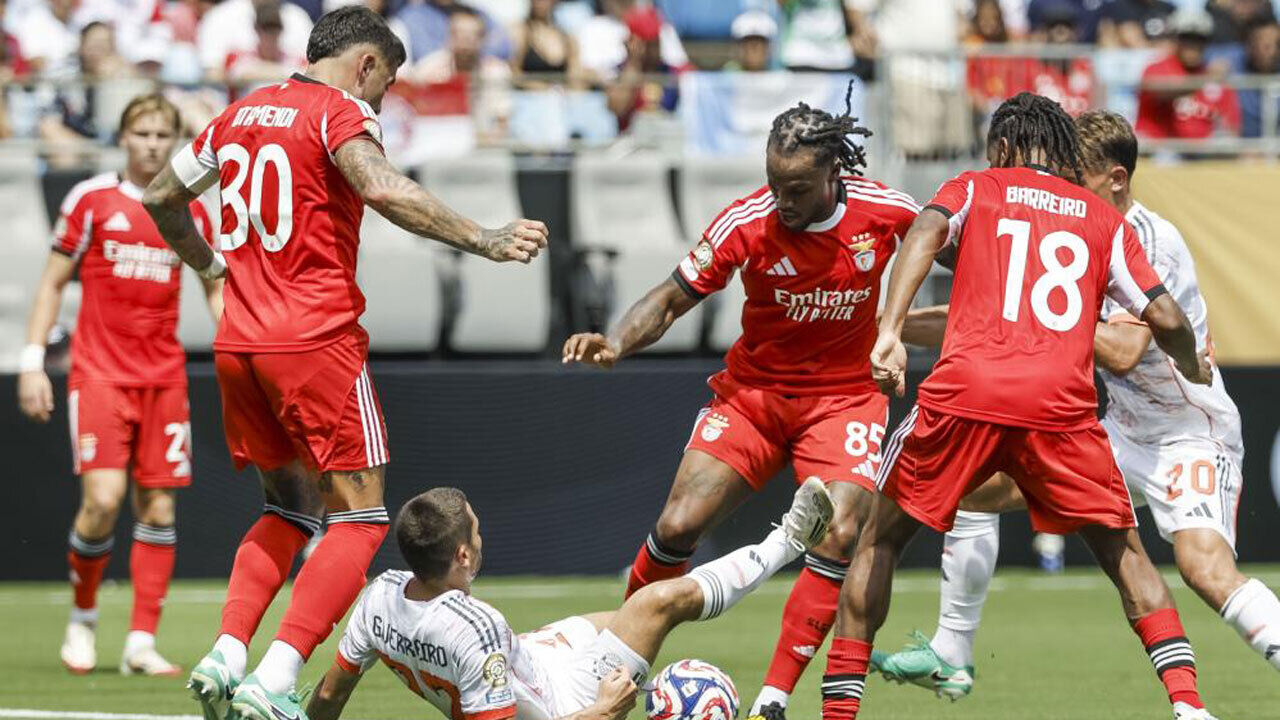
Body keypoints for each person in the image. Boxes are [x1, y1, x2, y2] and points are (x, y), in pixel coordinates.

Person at [141, 7, 549, 720]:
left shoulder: (238, 113)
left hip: (239, 342)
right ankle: (275, 676)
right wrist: (483, 239)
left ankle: (227, 652)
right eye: (385, 84)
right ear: (364, 64)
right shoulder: (337, 112)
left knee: (287, 508)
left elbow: (160, 196)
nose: (380, 99)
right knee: (359, 518)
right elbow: (383, 187)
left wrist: (210, 267)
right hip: (314, 342)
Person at [817, 92, 1218, 720]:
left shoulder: (978, 186)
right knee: (1126, 557)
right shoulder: (1102, 217)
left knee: (880, 539)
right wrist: (1190, 359)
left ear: (1003, 147)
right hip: (1060, 405)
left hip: (967, 392)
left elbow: (924, 230)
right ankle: (1190, 707)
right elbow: (1164, 315)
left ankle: (838, 713)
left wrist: (890, 328)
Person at [563, 87, 919, 720]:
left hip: (844, 400)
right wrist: (616, 342)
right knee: (677, 526)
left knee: (838, 531)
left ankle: (774, 702)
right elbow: (673, 296)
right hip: (754, 397)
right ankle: (613, 667)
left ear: (834, 173)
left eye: (798, 188)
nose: (782, 199)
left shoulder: (886, 211)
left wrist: (900, 332)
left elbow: (942, 244)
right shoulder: (747, 221)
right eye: (774, 183)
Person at [304, 480, 834, 720]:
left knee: (642, 606)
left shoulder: (380, 596)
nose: (485, 540)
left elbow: (330, 696)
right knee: (658, 606)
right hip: (560, 701)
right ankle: (788, 540)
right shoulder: (475, 627)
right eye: (479, 533)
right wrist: (602, 710)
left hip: (529, 657)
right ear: (463, 555)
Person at [17, 93, 223, 677]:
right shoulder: (92, 201)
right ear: (124, 138)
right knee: (103, 503)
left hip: (164, 378)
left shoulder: (190, 211)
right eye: (143, 133)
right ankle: (82, 619)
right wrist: (33, 360)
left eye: (164, 135)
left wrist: (238, 351)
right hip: (100, 374)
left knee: (158, 508)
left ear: (176, 141)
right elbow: (53, 283)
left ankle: (139, 643)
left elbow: (214, 284)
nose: (153, 144)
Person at [1135, 10, 1240, 140]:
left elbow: (1231, 126)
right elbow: (1161, 92)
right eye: (1186, 38)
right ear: (1175, 39)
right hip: (1160, 150)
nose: (1192, 45)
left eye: (1199, 39)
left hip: (1203, 154)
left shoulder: (1215, 76)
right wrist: (1206, 80)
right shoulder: (1156, 68)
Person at [510, 0, 582, 87]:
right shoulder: (521, 32)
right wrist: (539, 87)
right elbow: (514, 72)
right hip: (528, 97)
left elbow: (574, 77)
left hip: (560, 98)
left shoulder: (567, 39)